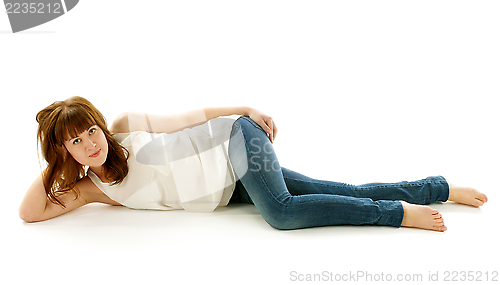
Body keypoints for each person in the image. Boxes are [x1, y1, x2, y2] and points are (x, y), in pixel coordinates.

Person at [19, 96, 488, 232]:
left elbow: (188, 116)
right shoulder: (93, 189)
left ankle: (396, 215)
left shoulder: (124, 126)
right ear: (68, 152)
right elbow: (30, 212)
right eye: (75, 143)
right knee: (339, 188)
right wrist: (54, 161)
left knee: (281, 212)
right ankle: (437, 188)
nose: (90, 144)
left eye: (89, 132)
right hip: (230, 188)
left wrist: (243, 109)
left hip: (234, 142)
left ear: (101, 125)